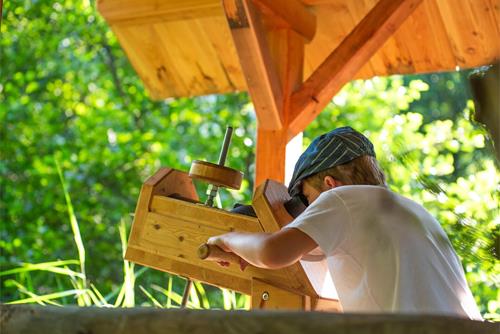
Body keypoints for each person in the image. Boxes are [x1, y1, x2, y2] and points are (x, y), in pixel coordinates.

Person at [207, 127, 482, 319]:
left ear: (329, 184)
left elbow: (272, 252)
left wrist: (227, 240)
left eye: (306, 200)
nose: (306, 212)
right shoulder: (414, 211)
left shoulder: (342, 198)